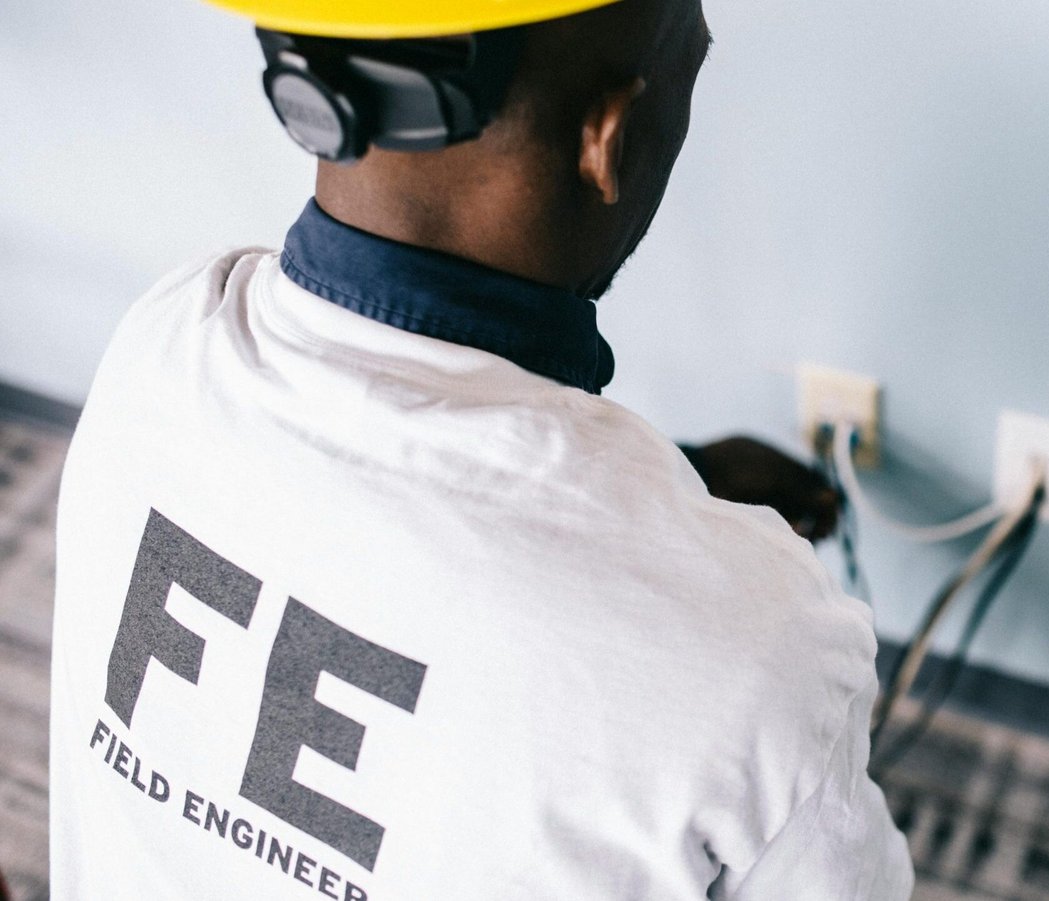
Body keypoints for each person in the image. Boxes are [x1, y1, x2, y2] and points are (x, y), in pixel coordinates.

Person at [48, 0, 914, 898]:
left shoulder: (160, 344)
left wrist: (679, 503)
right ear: (607, 141)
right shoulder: (763, 650)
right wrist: (709, 573)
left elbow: (364, 535)